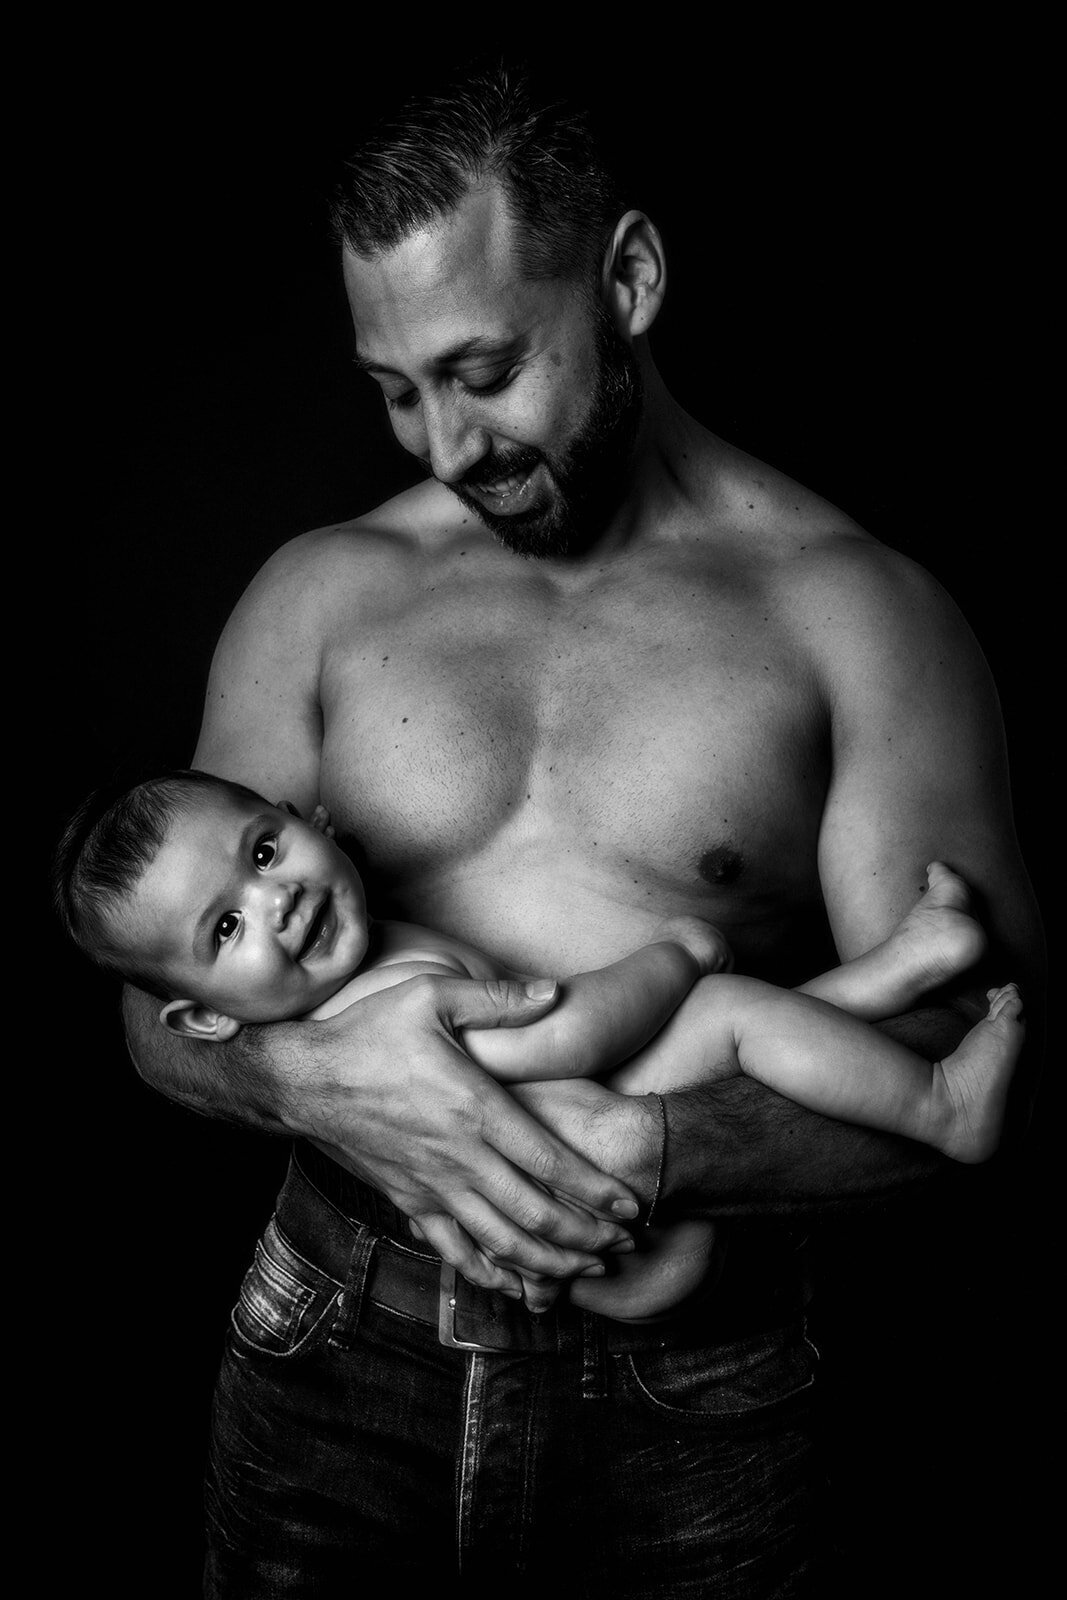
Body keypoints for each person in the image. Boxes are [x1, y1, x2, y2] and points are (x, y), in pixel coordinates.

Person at [118, 61, 1045, 1595]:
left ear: (625, 278)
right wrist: (321, 1088)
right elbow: (156, 1006)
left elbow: (980, 1048)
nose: (437, 445)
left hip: (693, 1391)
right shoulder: (318, 597)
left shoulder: (855, 617)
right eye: (392, 388)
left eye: (483, 370)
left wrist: (653, 1149)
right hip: (334, 1351)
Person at [57, 768, 1022, 1320]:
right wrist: (670, 958)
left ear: (310, 819)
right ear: (204, 1019)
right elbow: (560, 1036)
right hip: (605, 1234)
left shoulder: (376, 959)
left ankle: (902, 968)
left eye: (262, 852)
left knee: (741, 1027)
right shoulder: (382, 1005)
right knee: (725, 1015)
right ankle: (940, 1103)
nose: (275, 901)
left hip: (603, 1207)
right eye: (222, 931)